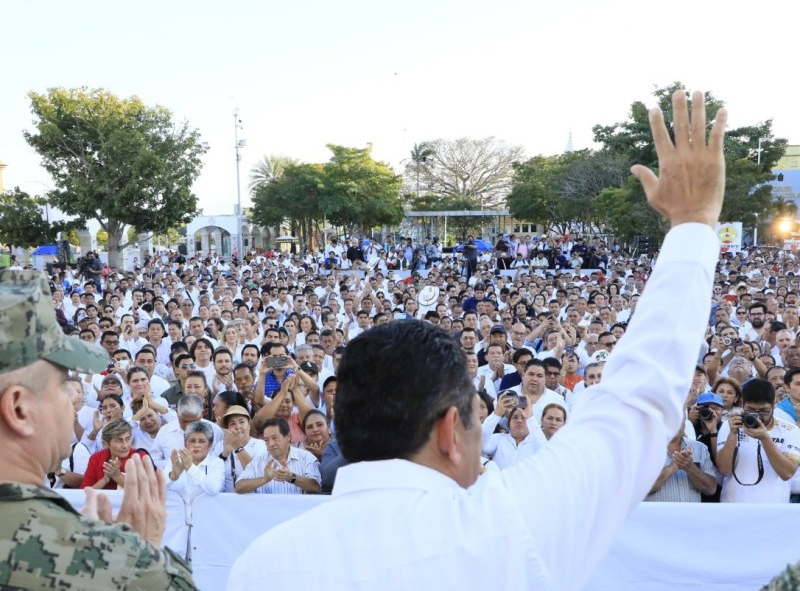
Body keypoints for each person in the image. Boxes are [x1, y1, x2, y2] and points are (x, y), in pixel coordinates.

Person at [229, 89, 728, 589]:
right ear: (449, 430)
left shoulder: (261, 564)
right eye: (473, 414)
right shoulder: (505, 529)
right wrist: (693, 224)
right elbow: (636, 403)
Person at [0, 270, 195, 589]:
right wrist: (133, 561)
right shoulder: (118, 565)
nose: (72, 402)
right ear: (19, 410)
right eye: (63, 385)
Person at [716, 378, 800, 502]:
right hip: (733, 506)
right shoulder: (730, 425)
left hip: (773, 509)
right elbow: (724, 469)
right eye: (750, 410)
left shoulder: (790, 430)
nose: (757, 415)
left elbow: (787, 473)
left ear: (773, 404)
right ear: (743, 404)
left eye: (764, 410)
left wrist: (765, 438)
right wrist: (733, 434)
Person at [234, 418, 321, 495]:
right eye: (267, 440)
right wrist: (264, 479)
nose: (271, 444)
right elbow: (239, 487)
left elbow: (316, 487)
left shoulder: (306, 458)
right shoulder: (258, 461)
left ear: (288, 437)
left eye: (275, 438)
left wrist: (291, 477)